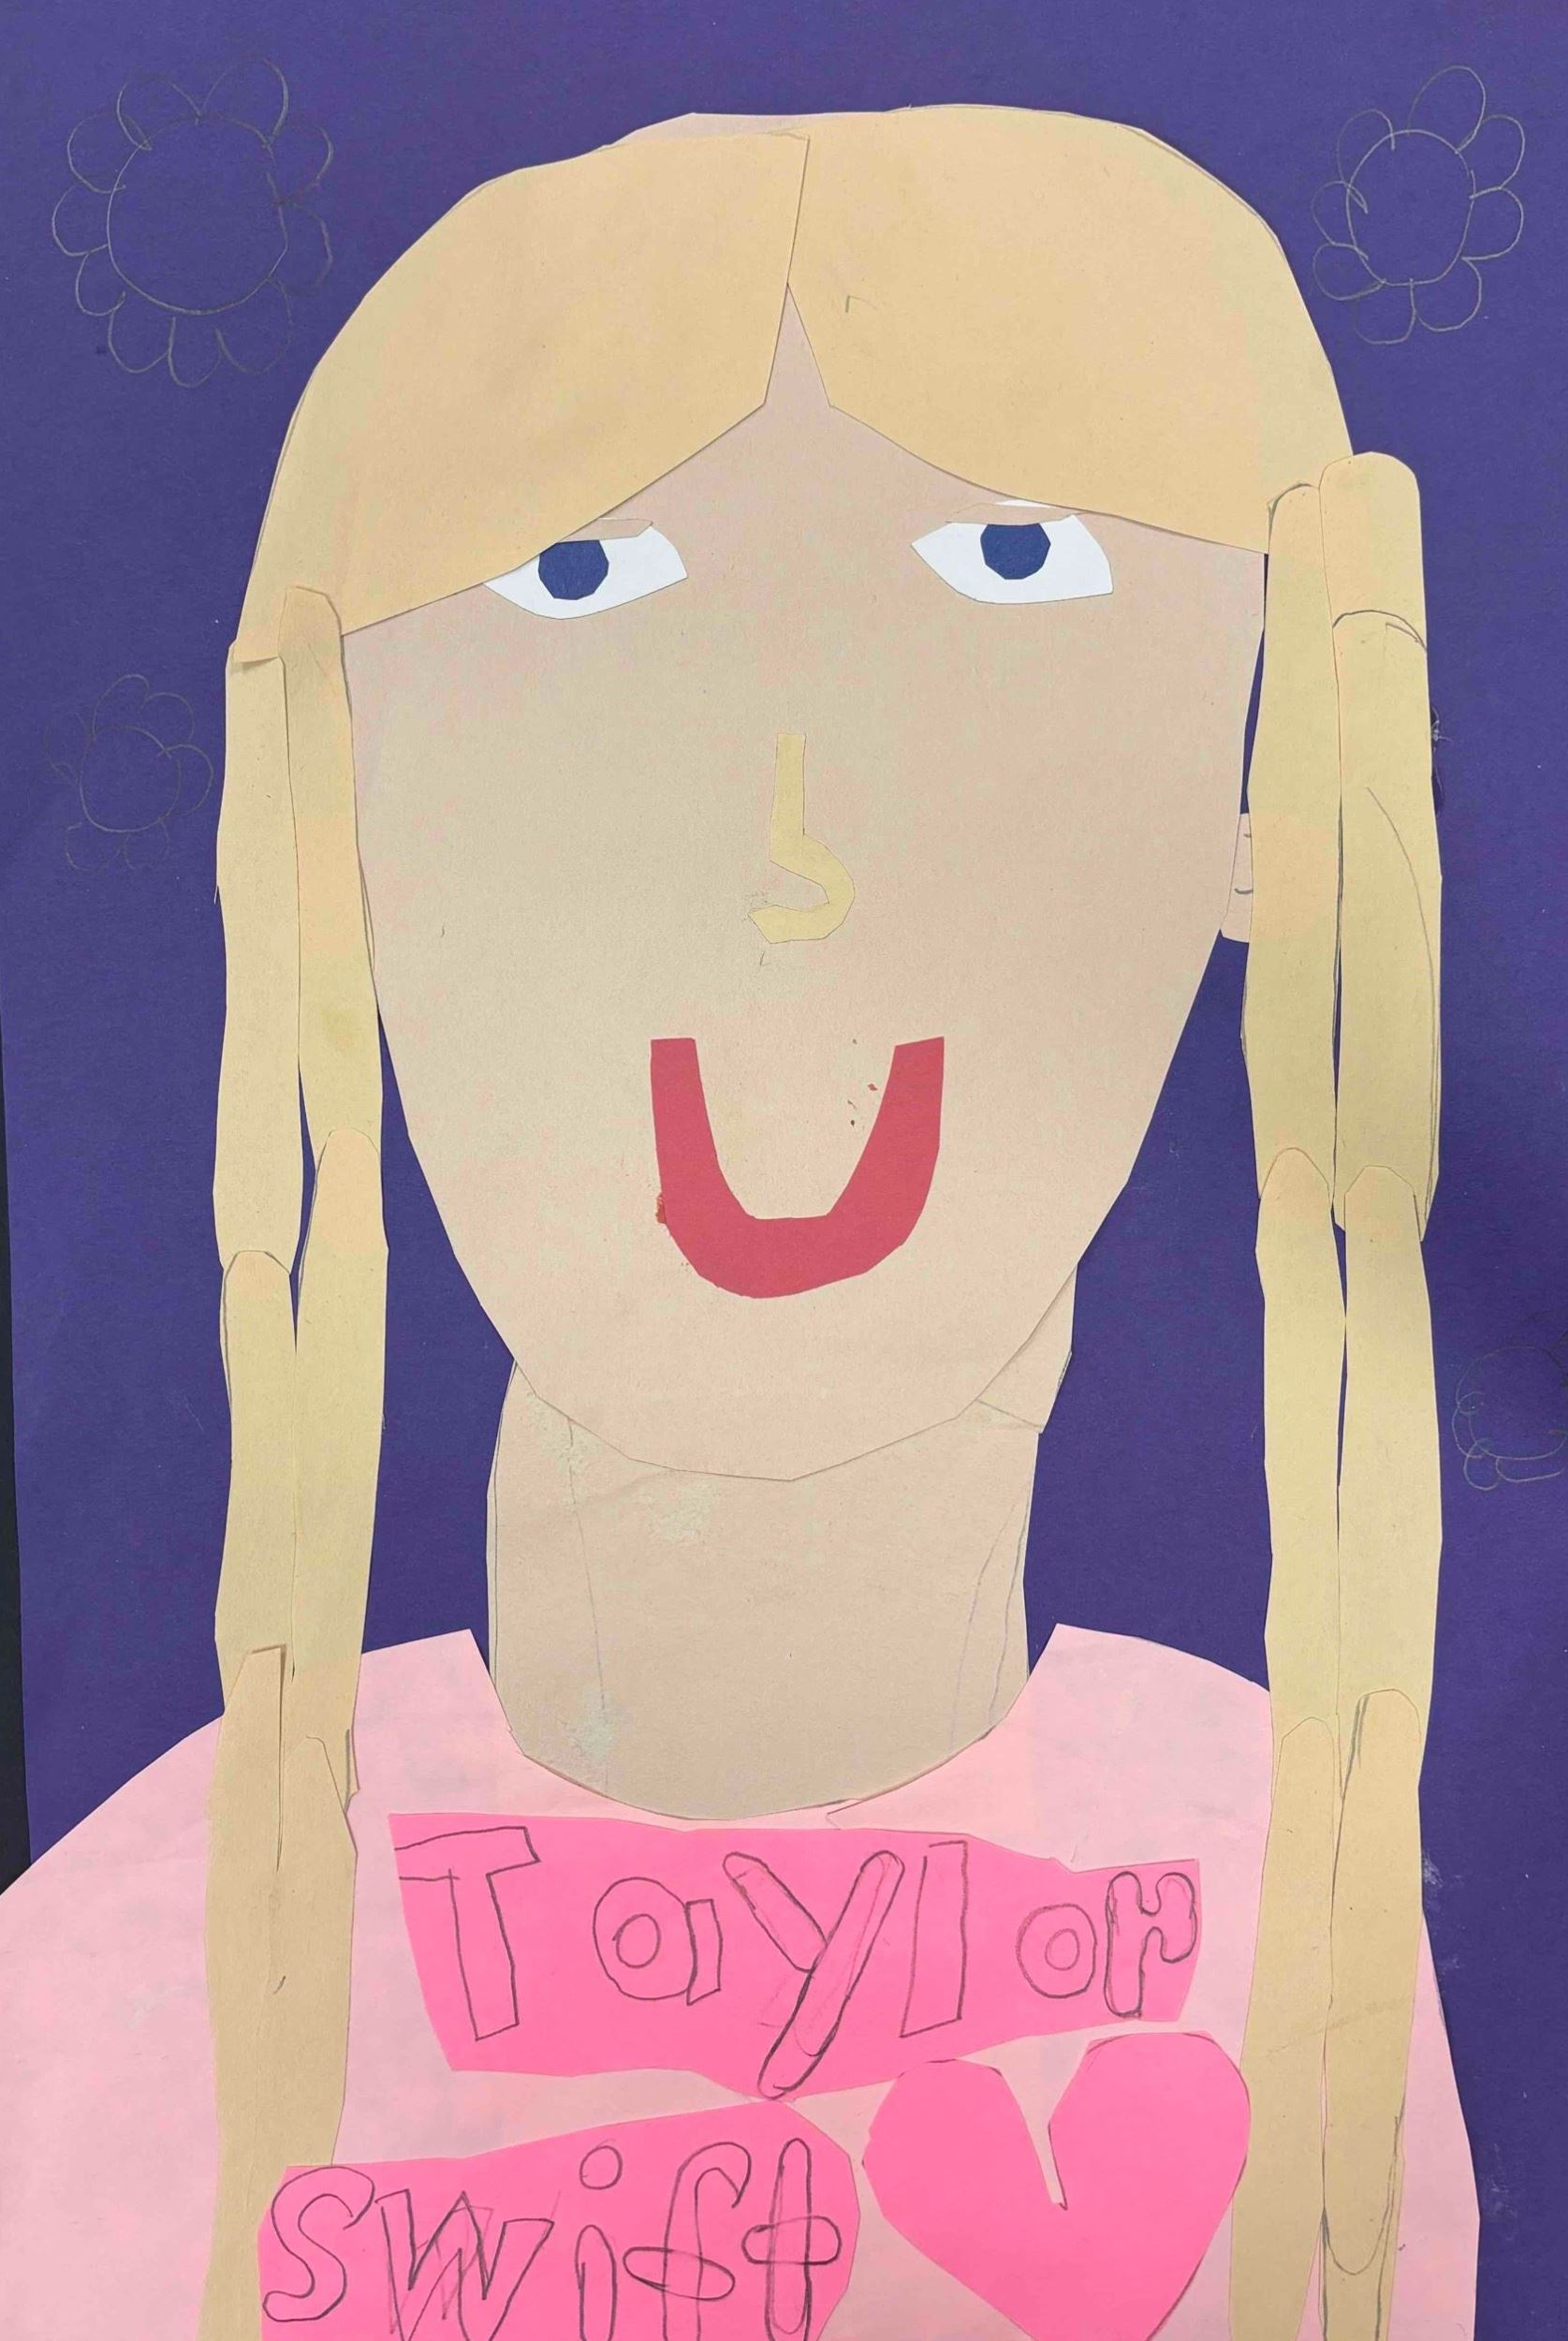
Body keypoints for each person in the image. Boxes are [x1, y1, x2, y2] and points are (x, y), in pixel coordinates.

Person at [0, 108, 1475, 2340]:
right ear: (348, 831)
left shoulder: (1297, 1891)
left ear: (1249, 820)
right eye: (577, 587)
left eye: (1013, 568)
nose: (791, 840)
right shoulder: (118, 1994)